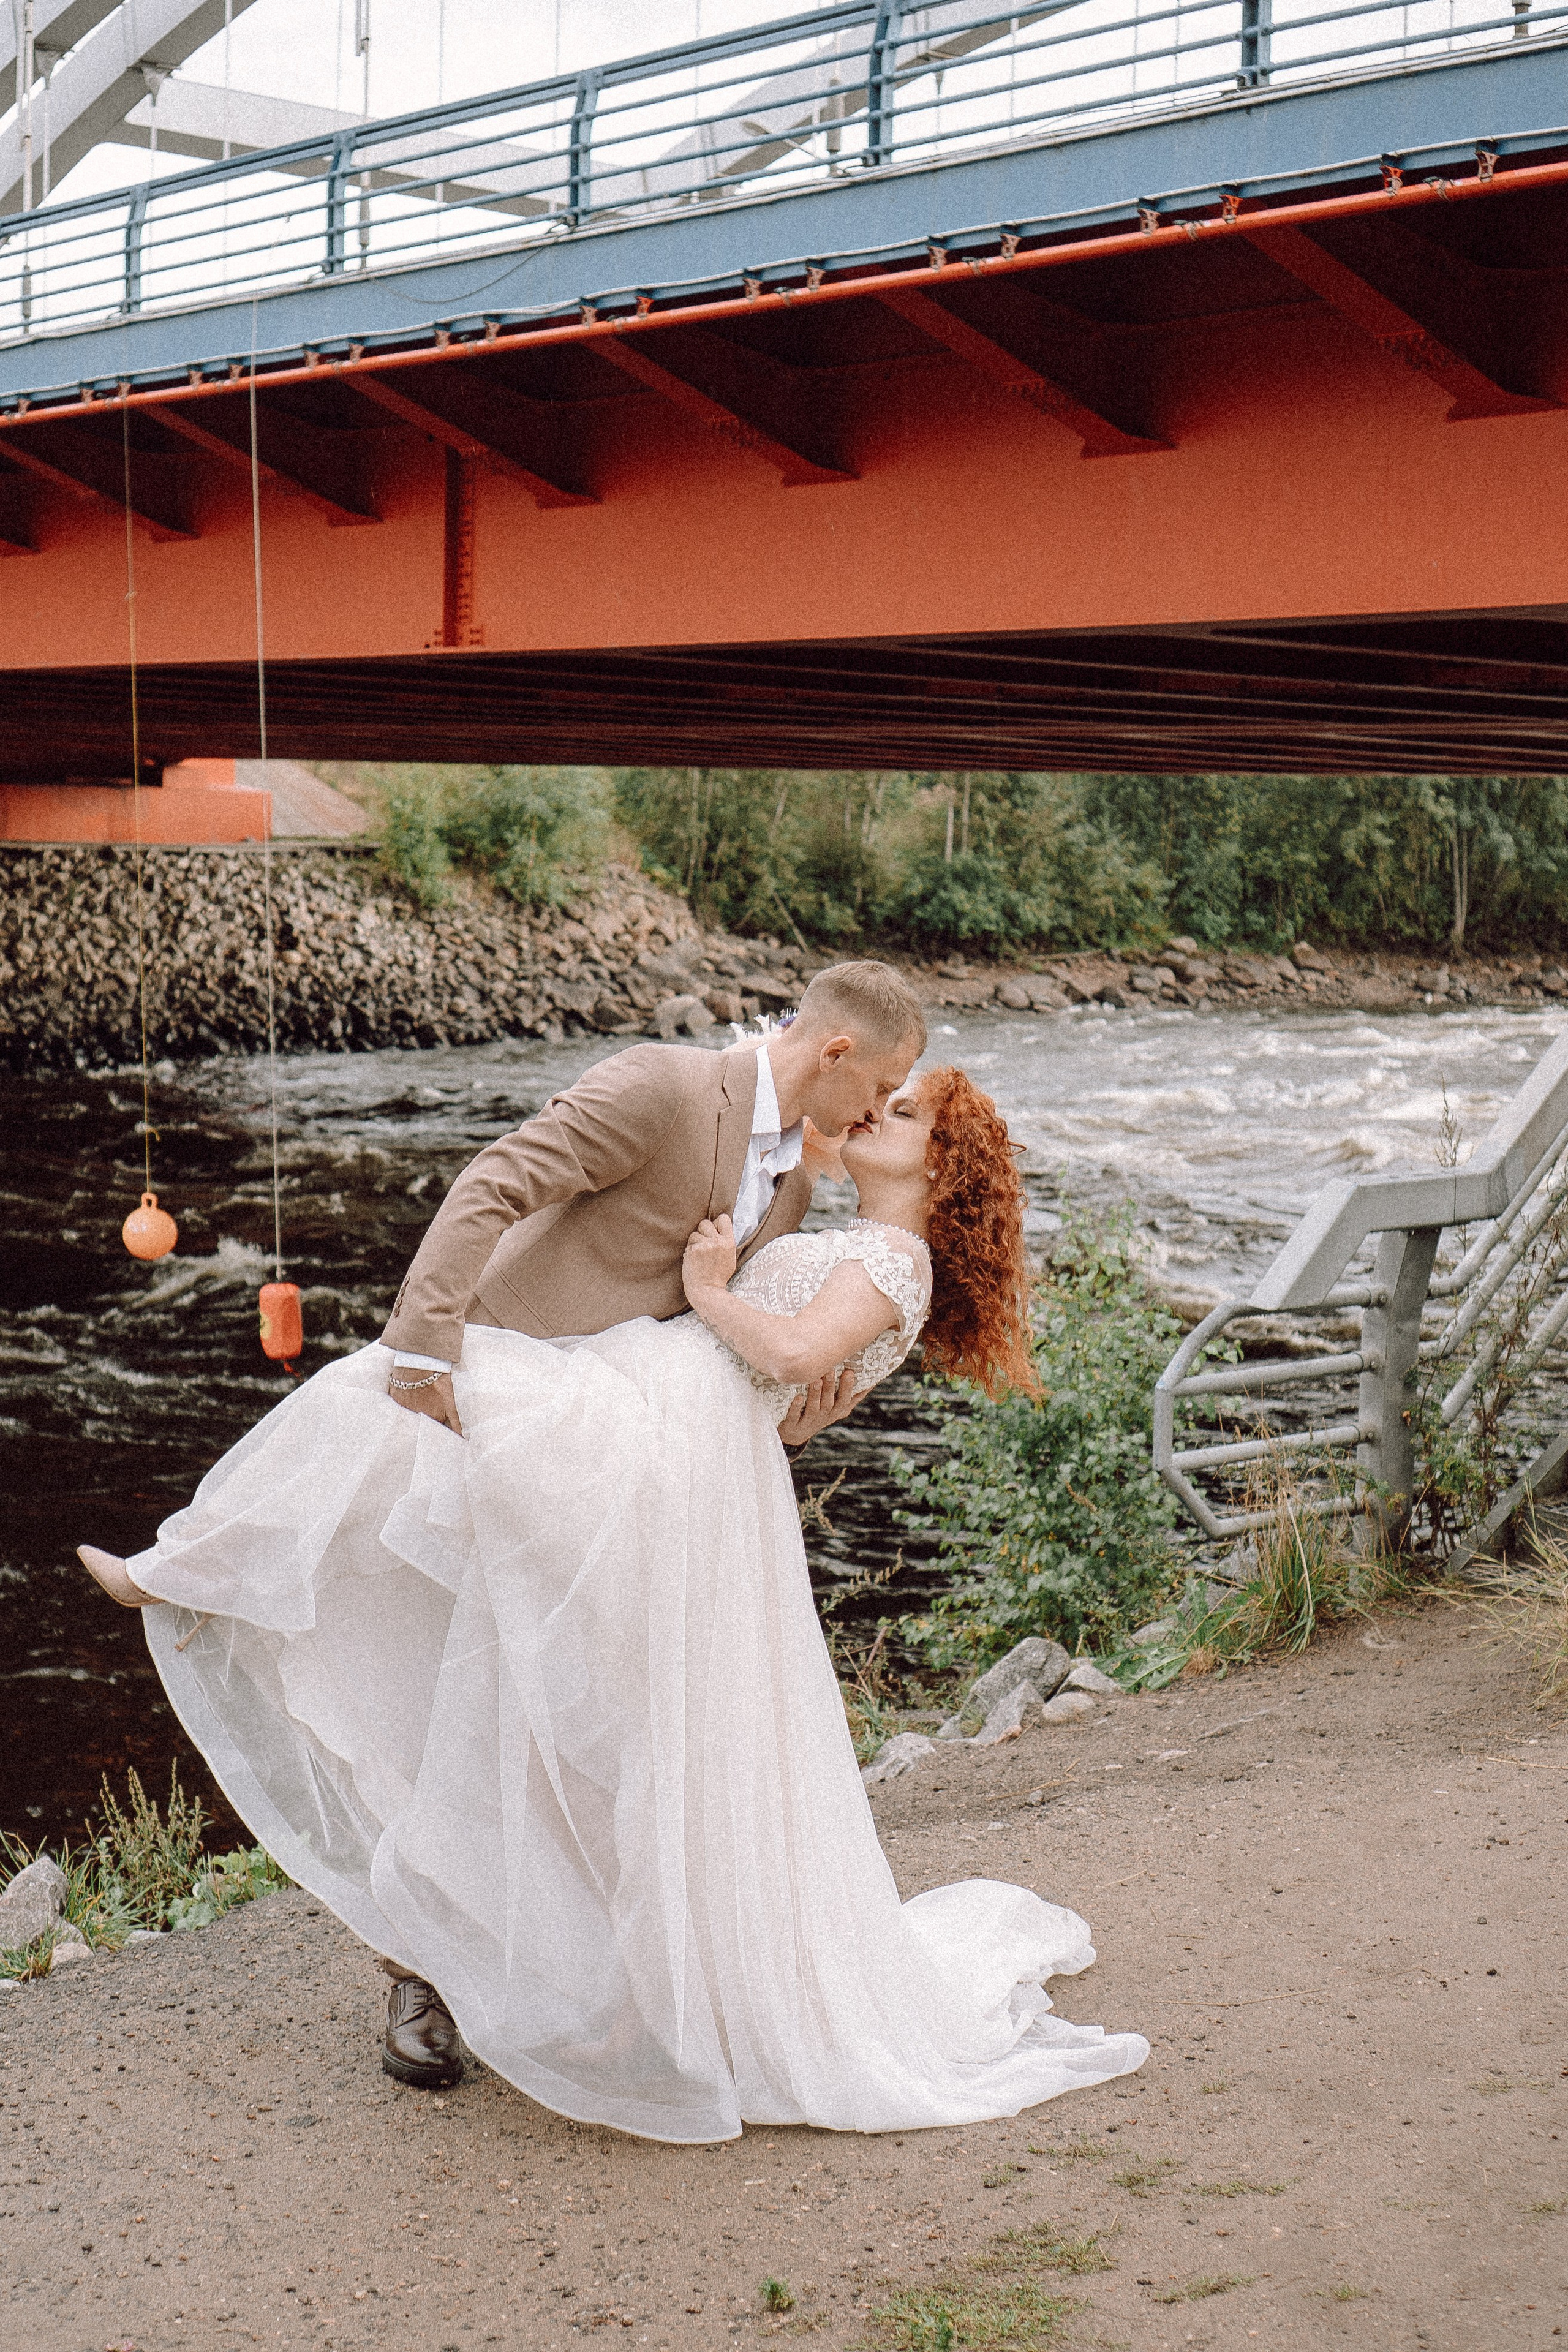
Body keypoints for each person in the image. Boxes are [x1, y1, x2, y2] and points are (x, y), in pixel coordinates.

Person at [78, 984, 1148, 2141]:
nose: (876, 1112)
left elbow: (772, 1357)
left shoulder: (819, 1194)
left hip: (641, 1457)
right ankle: (207, 1584)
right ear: (836, 1051)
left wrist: (784, 1388)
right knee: (408, 1526)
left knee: (582, 1722)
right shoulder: (666, 1089)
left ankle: (589, 1988)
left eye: (901, 1110)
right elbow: (495, 1185)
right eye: (880, 1092)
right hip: (547, 1400)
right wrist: (428, 1346)